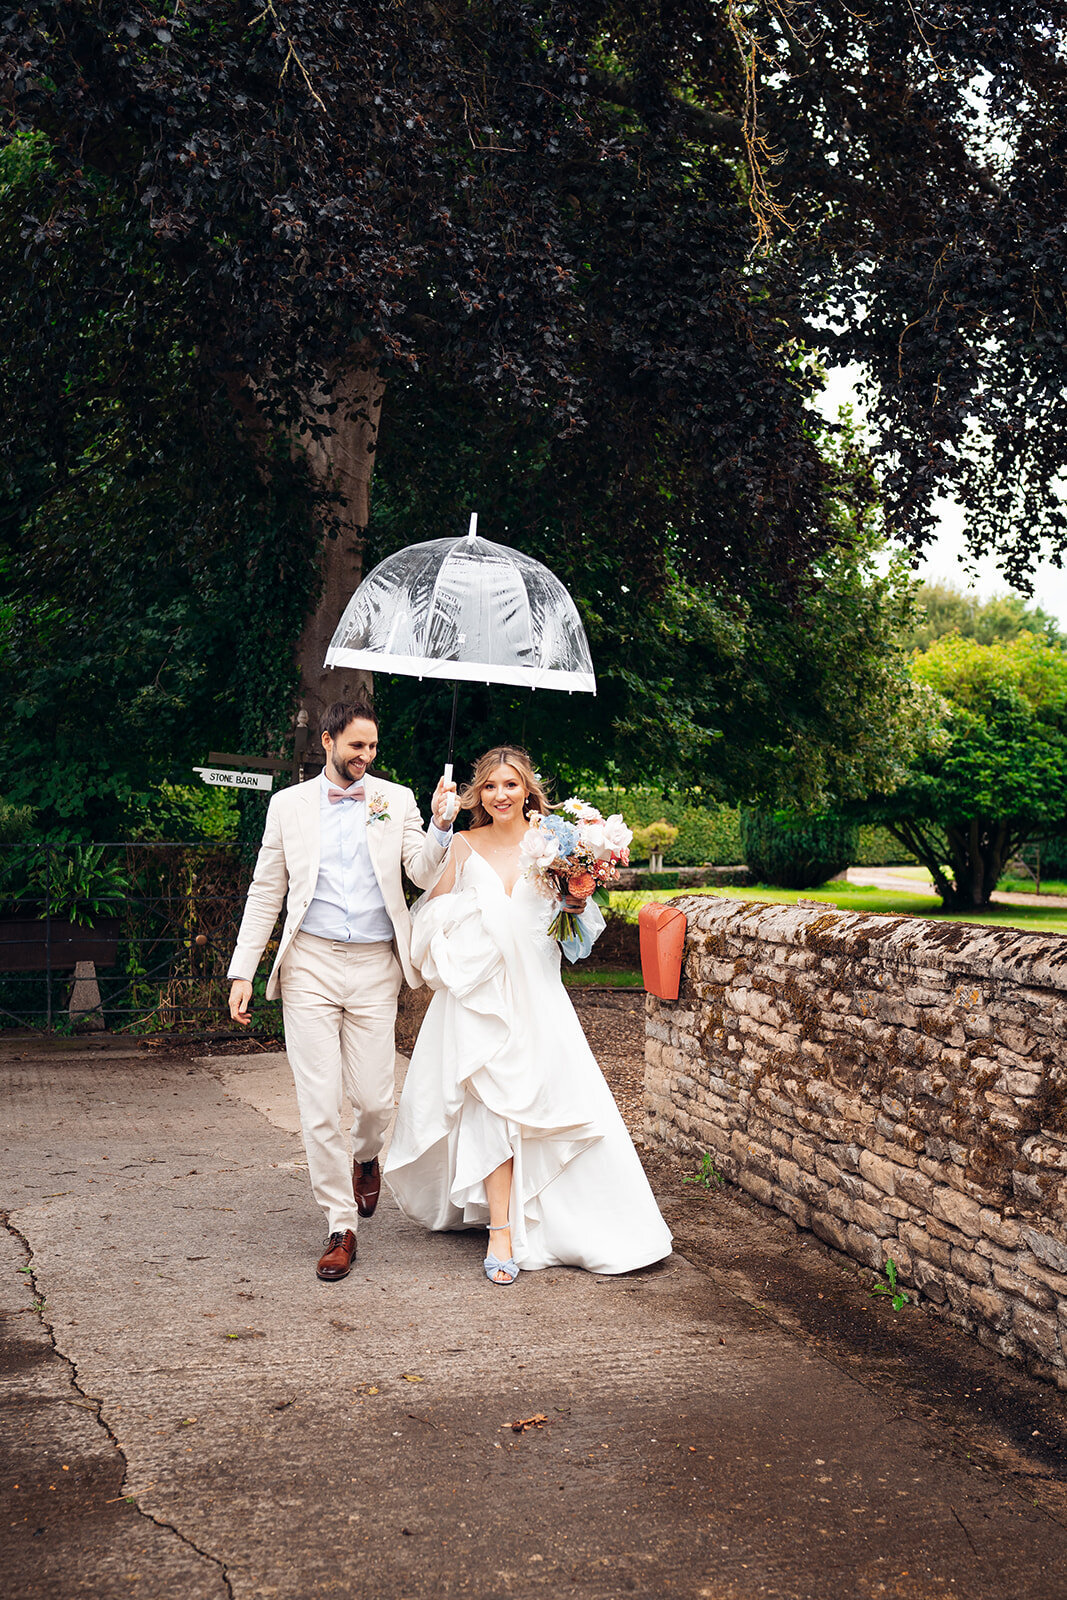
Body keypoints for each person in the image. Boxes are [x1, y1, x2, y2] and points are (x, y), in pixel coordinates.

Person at [385, 745, 672, 1284]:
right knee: (491, 1105)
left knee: (549, 1106)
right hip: (483, 999)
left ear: (527, 789)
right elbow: (429, 915)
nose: (500, 795)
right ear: (477, 793)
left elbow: (578, 938)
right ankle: (500, 1231)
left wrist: (575, 904)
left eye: (510, 785)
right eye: (490, 786)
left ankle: (572, 1220)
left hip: (539, 996)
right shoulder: (463, 845)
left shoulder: (554, 846)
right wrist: (466, 892)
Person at [227, 700, 455, 1282]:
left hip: (377, 964)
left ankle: (366, 1156)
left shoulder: (394, 799)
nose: (366, 756)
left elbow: (423, 873)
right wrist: (242, 970)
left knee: (377, 1099)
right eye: (356, 745)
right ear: (327, 740)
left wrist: (441, 826)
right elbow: (265, 890)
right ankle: (340, 1223)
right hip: (308, 965)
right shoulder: (288, 806)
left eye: (373, 747)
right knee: (319, 1102)